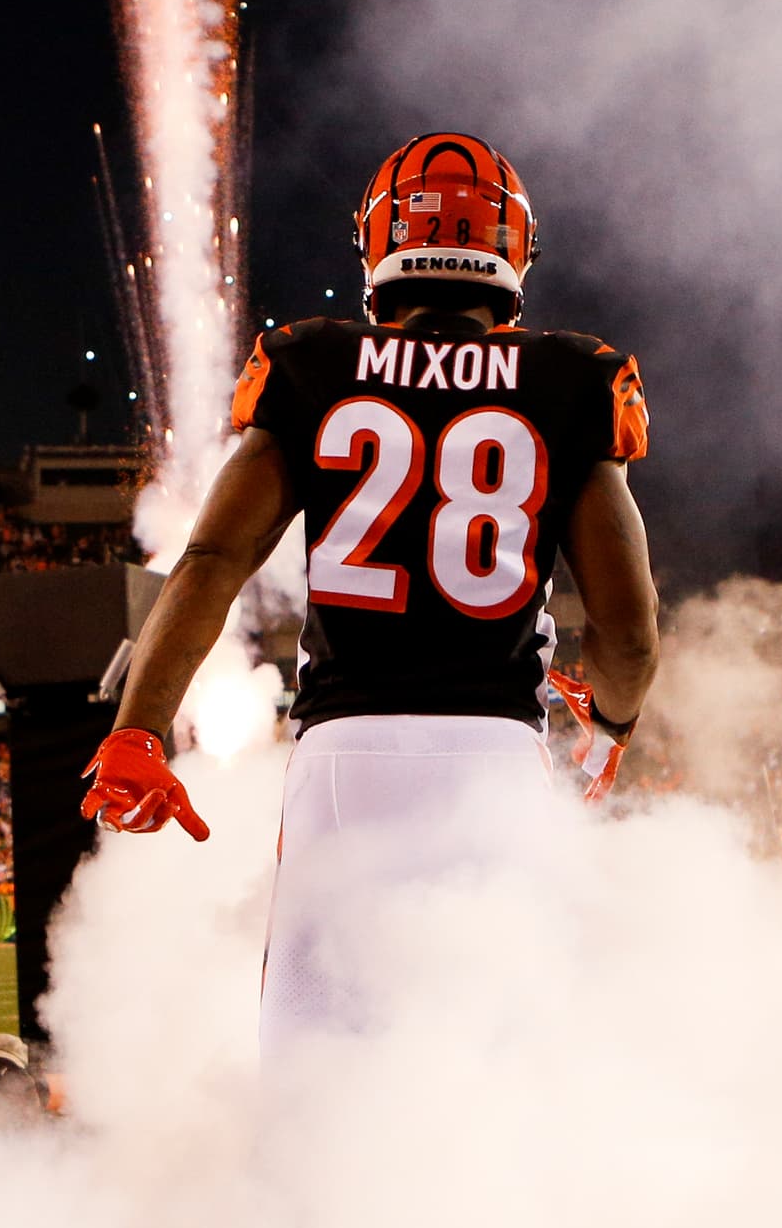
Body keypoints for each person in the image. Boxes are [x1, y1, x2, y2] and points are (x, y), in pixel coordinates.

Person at [82, 132, 660, 1047]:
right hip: (495, 756)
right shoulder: (571, 378)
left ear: (379, 246)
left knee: (319, 1067)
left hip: (343, 757)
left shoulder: (313, 363)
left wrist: (137, 731)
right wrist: (613, 723)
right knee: (501, 1065)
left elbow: (211, 561)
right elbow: (626, 630)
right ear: (514, 250)